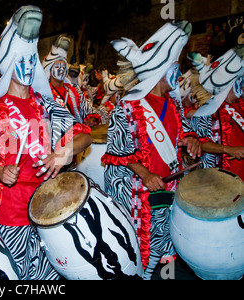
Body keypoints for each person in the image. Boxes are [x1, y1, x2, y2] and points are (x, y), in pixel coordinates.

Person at [0, 5, 92, 280]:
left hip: (49, 210)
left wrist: (63, 151)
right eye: (21, 61)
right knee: (14, 276)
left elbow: (85, 135)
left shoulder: (48, 106)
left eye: (31, 60)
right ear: (8, 65)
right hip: (10, 214)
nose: (28, 67)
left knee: (49, 277)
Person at [101, 20, 203, 279]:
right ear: (160, 69)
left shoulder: (174, 104)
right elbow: (117, 152)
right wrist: (145, 175)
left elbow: (180, 135)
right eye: (175, 68)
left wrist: (190, 140)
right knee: (140, 254)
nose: (179, 75)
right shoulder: (128, 106)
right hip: (139, 194)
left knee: (164, 252)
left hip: (168, 188)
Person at [188, 47, 244, 181]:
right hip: (221, 183)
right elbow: (199, 143)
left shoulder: (241, 104)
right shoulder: (207, 111)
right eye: (240, 79)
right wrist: (229, 150)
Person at [42, 34, 105, 127]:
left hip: (77, 137)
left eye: (63, 67)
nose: (61, 69)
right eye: (57, 67)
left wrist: (91, 119)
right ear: (50, 71)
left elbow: (89, 111)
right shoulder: (44, 93)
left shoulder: (74, 90)